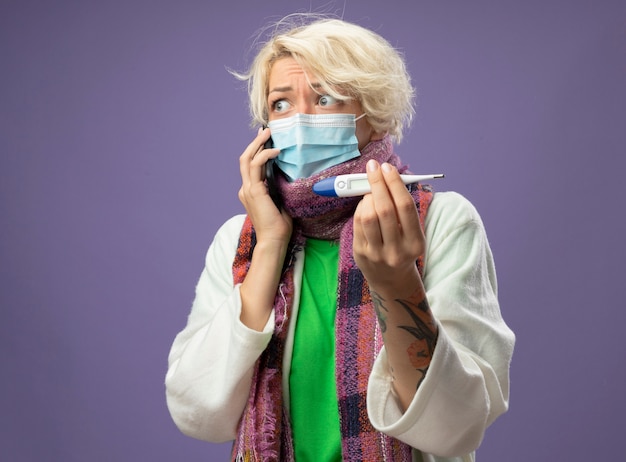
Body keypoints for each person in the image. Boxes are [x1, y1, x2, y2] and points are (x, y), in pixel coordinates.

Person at [165, 13, 515, 462]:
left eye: (326, 98)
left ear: (376, 115)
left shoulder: (439, 221)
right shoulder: (241, 240)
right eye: (281, 104)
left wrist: (396, 282)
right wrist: (270, 245)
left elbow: (456, 427)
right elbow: (199, 414)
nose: (300, 120)